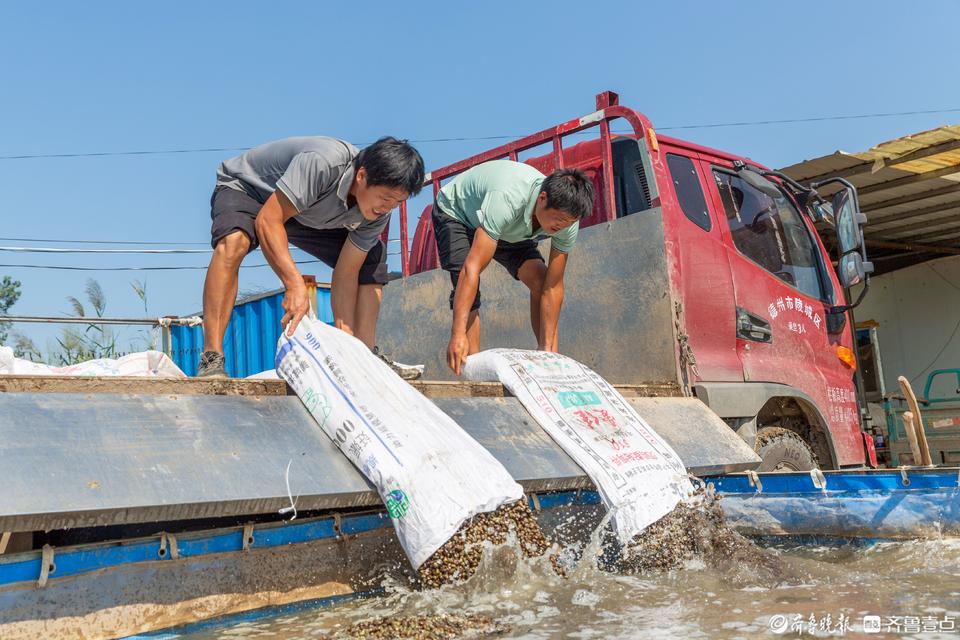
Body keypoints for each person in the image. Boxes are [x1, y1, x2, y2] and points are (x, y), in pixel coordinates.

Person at [197, 136, 424, 378]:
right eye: (385, 198)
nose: (388, 207)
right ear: (361, 176)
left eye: (397, 202)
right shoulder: (323, 163)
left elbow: (346, 271)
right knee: (234, 242)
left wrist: (344, 341)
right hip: (251, 191)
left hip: (303, 210)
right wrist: (294, 285)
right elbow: (267, 220)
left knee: (371, 257)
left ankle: (364, 355)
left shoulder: (378, 212)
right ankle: (212, 357)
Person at [432, 160, 595, 375]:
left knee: (540, 279)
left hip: (509, 227)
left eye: (568, 222)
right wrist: (457, 333)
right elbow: (471, 269)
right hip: (457, 213)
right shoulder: (508, 198)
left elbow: (553, 286)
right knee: (471, 288)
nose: (562, 227)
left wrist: (549, 352)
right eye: (559, 219)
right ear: (542, 199)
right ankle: (474, 374)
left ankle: (547, 357)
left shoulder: (567, 222)